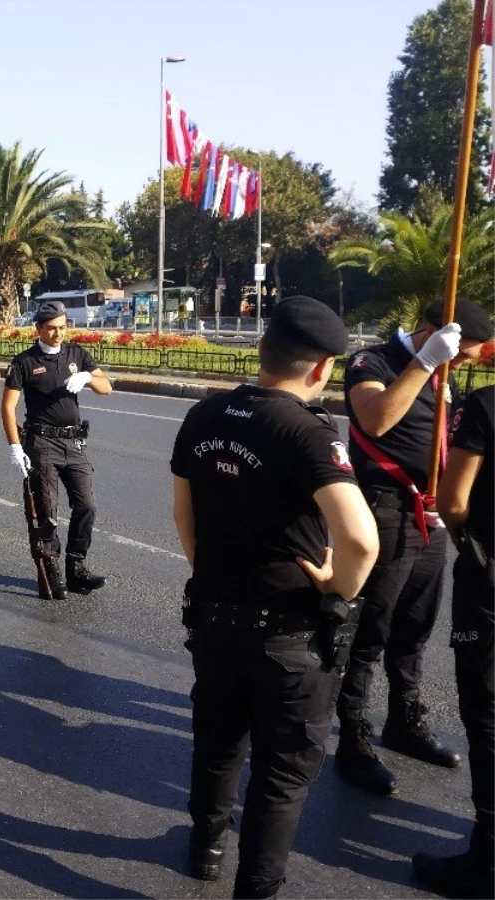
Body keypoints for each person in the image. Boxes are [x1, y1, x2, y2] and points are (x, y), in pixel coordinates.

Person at [172, 296, 379, 898]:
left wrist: (213, 573)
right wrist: (338, 588)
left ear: (261, 351)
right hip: (289, 631)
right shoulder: (310, 432)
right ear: (321, 370)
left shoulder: (204, 416)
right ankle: (256, 889)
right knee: (281, 776)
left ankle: (206, 848)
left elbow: (184, 517)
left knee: (216, 746)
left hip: (215, 617)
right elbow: (361, 541)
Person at [335, 299, 491, 794]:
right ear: (430, 333)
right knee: (369, 629)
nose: (460, 363)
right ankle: (353, 737)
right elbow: (375, 421)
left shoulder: (446, 373)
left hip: (431, 513)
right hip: (385, 508)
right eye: (459, 354)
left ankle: (404, 722)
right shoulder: (372, 362)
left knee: (414, 629)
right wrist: (425, 365)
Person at [411, 384, 495, 897]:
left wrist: (468, 539)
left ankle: (487, 859)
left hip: (490, 582)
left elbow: (454, 501)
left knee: (487, 715)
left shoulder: (484, 405)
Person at [1, 300, 111, 600]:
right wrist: (14, 447)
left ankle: (77, 567)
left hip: (73, 443)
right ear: (38, 329)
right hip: (42, 444)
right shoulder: (25, 361)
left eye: (63, 327)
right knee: (47, 512)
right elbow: (8, 407)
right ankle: (51, 569)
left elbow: (106, 387)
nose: (59, 333)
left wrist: (88, 376)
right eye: (52, 328)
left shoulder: (76, 354)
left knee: (86, 505)